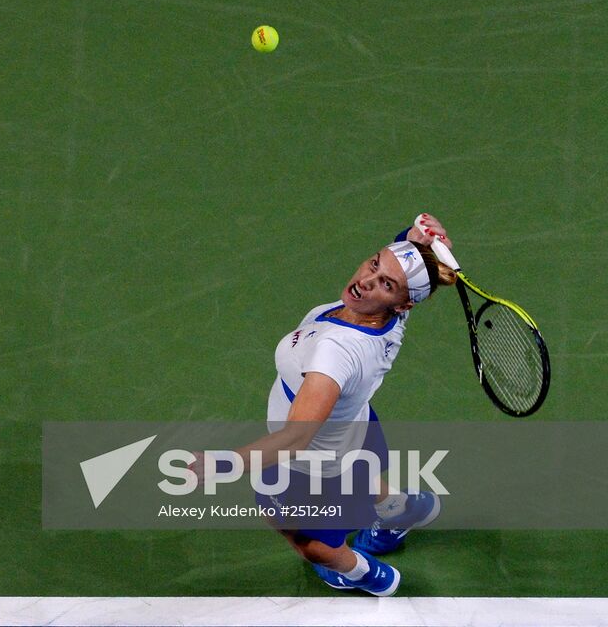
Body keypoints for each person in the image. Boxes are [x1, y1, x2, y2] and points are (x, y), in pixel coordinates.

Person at [191, 213, 456, 597]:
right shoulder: (387, 318)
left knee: (304, 539)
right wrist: (418, 240)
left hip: (308, 467)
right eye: (374, 263)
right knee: (359, 474)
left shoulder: (336, 352)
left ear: (402, 304)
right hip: (354, 431)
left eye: (385, 283)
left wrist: (223, 463)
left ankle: (365, 574)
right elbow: (405, 265)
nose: (366, 280)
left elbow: (295, 437)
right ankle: (401, 509)